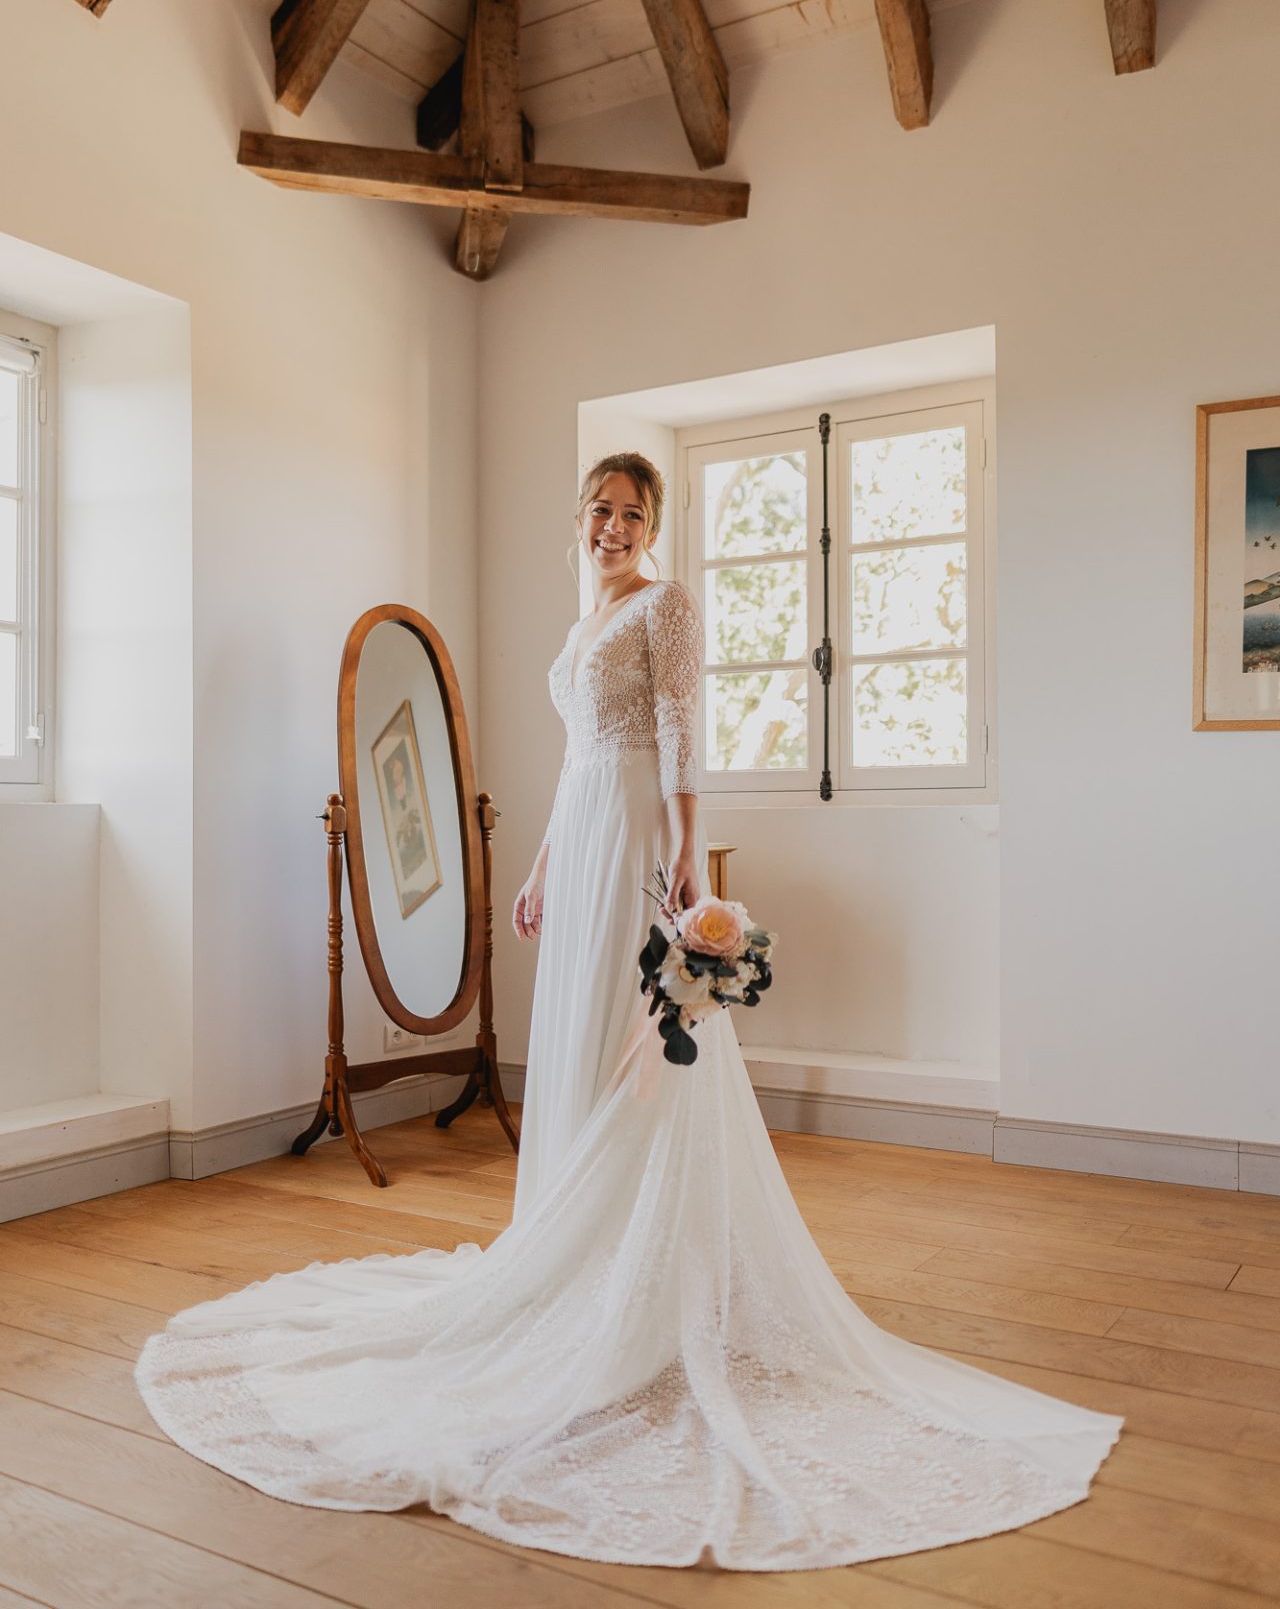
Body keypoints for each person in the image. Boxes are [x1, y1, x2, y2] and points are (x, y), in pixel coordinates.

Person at [133, 451, 1123, 1570]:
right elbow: (576, 756)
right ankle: (569, 1252)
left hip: (643, 838)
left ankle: (648, 1278)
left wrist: (685, 869)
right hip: (588, 831)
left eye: (632, 514)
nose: (612, 526)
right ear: (579, 517)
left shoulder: (668, 603)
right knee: (580, 1043)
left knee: (641, 1046)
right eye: (600, 510)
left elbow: (680, 736)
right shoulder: (581, 619)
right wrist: (546, 865)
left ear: (653, 525)